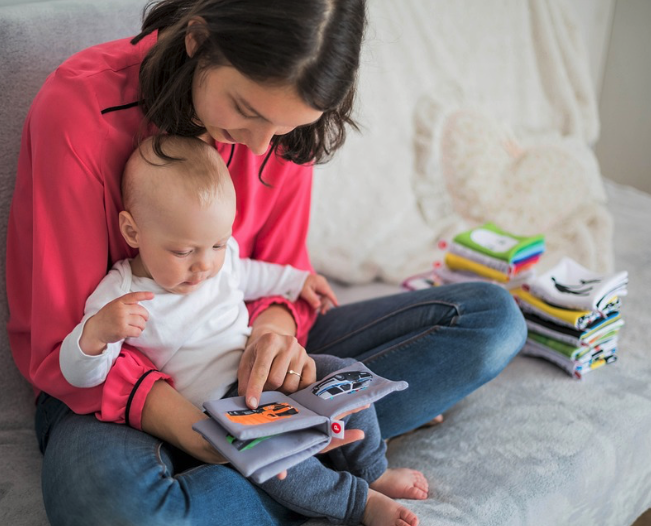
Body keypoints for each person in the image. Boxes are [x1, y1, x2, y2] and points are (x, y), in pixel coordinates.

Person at [6, 0, 527, 524]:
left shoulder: (281, 127)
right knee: (119, 512)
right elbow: (68, 345)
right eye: (247, 111)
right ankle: (312, 469)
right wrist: (196, 429)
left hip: (244, 365)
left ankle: (289, 460)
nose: (261, 146)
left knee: (493, 321)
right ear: (198, 40)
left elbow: (279, 274)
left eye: (283, 128)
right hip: (106, 390)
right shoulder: (78, 111)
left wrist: (273, 338)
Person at [58, 135, 427, 525]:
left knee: (345, 373)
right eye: (183, 252)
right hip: (223, 407)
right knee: (278, 460)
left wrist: (296, 281)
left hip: (263, 369)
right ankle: (357, 503)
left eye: (217, 245)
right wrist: (97, 334)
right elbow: (81, 376)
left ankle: (372, 469)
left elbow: (250, 273)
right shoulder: (122, 293)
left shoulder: (219, 258)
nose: (204, 266)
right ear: (133, 232)